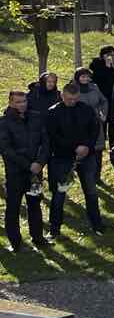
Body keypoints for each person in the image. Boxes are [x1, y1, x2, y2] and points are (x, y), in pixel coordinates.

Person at [46, 81, 104, 237]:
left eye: (75, 99)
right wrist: (74, 147)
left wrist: (87, 146)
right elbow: (53, 136)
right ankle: (54, 229)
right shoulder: (53, 112)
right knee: (59, 193)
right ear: (62, 96)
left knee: (91, 191)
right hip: (62, 157)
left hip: (86, 155)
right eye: (69, 99)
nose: (72, 102)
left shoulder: (86, 109)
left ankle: (97, 225)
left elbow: (95, 128)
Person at [1, 87, 47, 252]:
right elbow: (6, 150)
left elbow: (45, 143)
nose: (22, 105)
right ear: (11, 103)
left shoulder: (36, 118)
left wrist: (40, 163)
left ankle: (38, 238)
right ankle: (16, 243)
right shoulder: (4, 123)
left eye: (24, 101)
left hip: (35, 172)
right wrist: (28, 165)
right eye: (18, 102)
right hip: (15, 173)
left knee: (35, 205)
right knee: (13, 207)